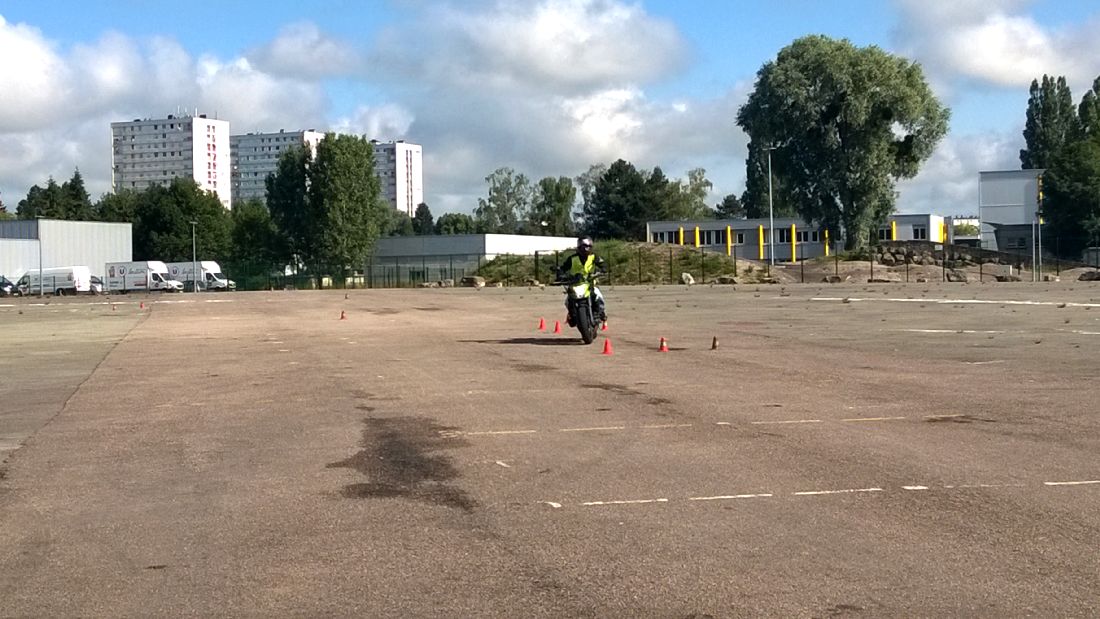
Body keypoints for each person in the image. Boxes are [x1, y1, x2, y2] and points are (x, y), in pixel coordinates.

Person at [556, 236, 607, 324]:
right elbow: (563, 268)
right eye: (583, 247)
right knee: (568, 301)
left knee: (598, 296)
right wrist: (560, 274)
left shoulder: (594, 257)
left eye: (587, 246)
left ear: (591, 247)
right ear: (579, 247)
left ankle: (599, 313)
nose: (585, 249)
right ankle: (571, 314)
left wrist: (603, 269)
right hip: (575, 283)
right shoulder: (572, 259)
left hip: (590, 282)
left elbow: (602, 264)